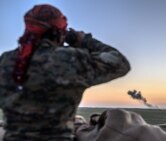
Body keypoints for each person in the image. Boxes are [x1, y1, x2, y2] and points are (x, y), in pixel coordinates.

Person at [0, 4, 130, 141]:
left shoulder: (5, 61)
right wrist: (83, 40)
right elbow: (120, 62)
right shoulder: (72, 60)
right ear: (59, 33)